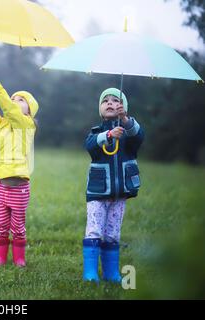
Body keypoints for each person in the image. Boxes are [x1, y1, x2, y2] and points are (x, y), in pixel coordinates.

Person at [83, 88, 144, 282]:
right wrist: (109, 135)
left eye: (116, 100)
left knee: (113, 233)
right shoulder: (96, 132)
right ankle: (90, 272)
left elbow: (139, 136)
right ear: (100, 109)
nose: (110, 103)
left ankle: (111, 272)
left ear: (123, 107)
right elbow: (91, 146)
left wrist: (125, 121)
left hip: (120, 193)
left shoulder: (129, 133)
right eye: (105, 100)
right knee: (94, 229)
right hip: (97, 192)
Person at [0, 72, 38, 267]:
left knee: (17, 226)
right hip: (1, 185)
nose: (14, 102)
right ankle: (0, 258)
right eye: (13, 98)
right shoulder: (3, 124)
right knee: (1, 224)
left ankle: (19, 258)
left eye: (21, 100)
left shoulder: (26, 124)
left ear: (29, 111)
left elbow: (11, 110)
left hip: (19, 187)